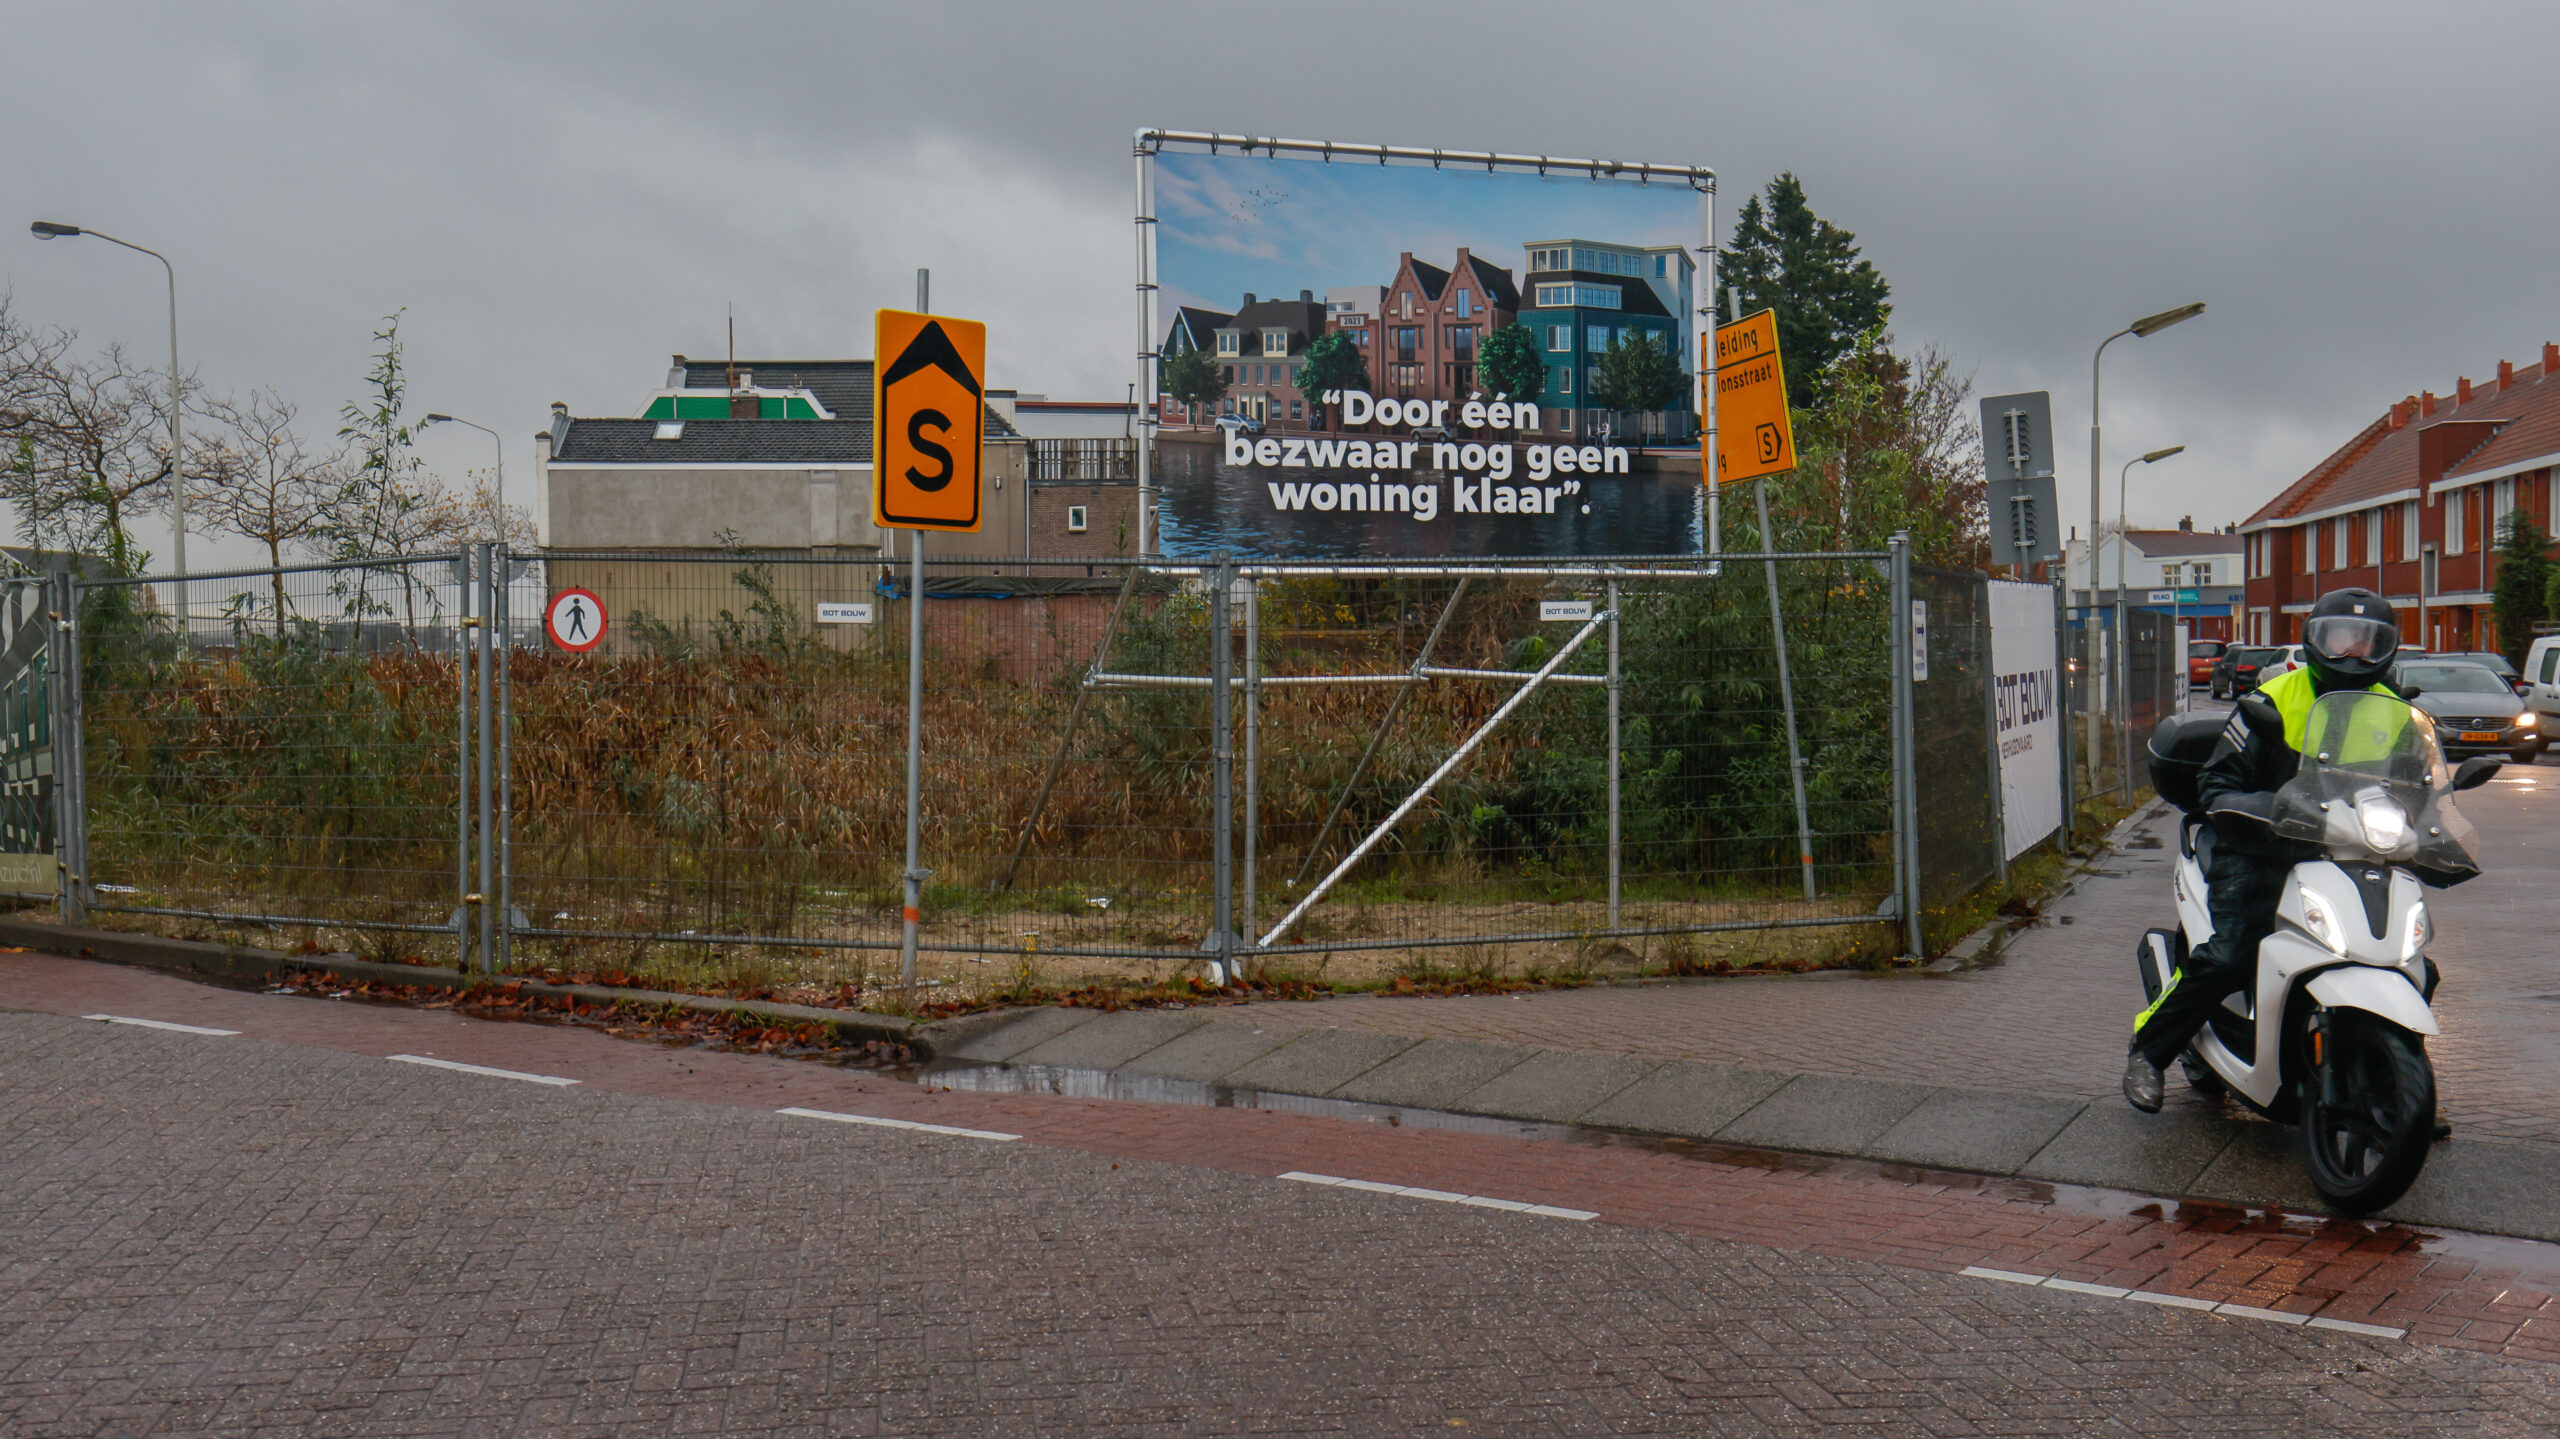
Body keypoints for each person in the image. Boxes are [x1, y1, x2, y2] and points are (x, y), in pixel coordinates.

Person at [2124, 587, 2404, 1112]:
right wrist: (2262, 807)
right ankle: (2149, 1050)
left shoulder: (2396, 711)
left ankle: (2398, 1087)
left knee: (2410, 960)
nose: (2352, 654)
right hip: (2257, 846)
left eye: (2368, 642)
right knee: (2232, 954)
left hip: (2347, 853)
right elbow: (2214, 784)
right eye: (2339, 639)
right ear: (2315, 639)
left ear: (2387, 648)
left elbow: (2416, 783)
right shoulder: (2270, 701)